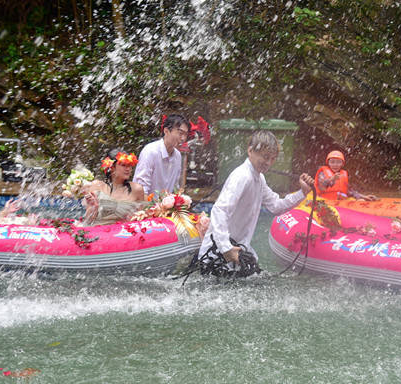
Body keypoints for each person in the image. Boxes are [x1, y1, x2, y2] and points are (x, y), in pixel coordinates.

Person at [196, 130, 315, 274]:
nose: (268, 163)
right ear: (250, 150)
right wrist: (226, 248)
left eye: (272, 159)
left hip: (237, 251)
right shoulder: (242, 176)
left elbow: (276, 206)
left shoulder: (259, 178)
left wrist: (302, 192)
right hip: (217, 256)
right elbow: (219, 210)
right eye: (265, 157)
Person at [82, 150, 146, 225]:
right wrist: (93, 208)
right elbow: (87, 221)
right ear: (111, 167)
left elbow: (141, 220)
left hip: (125, 231)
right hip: (98, 229)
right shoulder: (97, 185)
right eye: (123, 165)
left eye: (129, 165)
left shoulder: (137, 189)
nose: (128, 169)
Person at [133, 114, 189, 195]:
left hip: (165, 202)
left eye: (185, 134)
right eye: (180, 133)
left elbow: (175, 187)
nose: (183, 138)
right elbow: (141, 188)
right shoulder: (151, 151)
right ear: (166, 131)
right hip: (145, 202)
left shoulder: (178, 156)